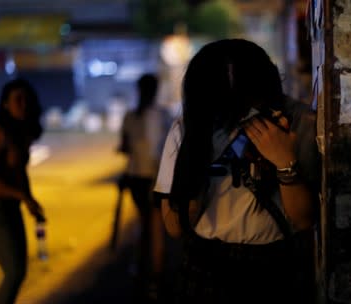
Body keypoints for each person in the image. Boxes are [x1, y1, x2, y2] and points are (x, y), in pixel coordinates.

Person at [153, 38, 320, 303]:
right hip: (204, 265)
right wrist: (196, 162)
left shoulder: (299, 121)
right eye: (221, 100)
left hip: (274, 266)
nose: (234, 113)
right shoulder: (189, 127)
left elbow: (303, 220)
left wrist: (284, 160)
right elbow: (174, 227)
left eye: (244, 98)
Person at [0, 78, 46, 304]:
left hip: (10, 206)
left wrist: (30, 200)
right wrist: (23, 197)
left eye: (26, 99)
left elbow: (20, 173)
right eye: (17, 100)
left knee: (19, 270)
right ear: (4, 104)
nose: (23, 104)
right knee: (14, 273)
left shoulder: (21, 132)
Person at [117, 73, 171, 302]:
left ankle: (139, 266)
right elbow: (167, 151)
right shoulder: (163, 116)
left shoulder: (131, 115)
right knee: (157, 225)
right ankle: (156, 277)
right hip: (156, 178)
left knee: (143, 222)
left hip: (136, 178)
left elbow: (124, 147)